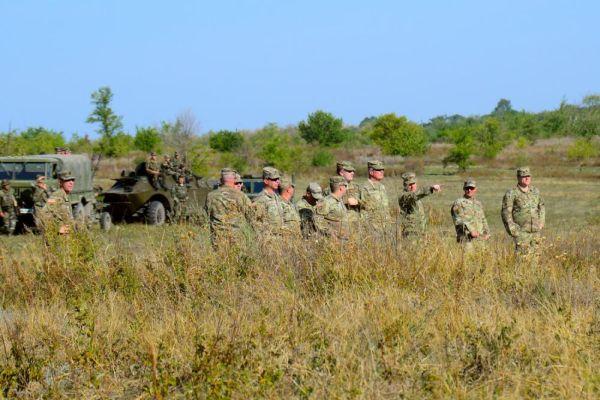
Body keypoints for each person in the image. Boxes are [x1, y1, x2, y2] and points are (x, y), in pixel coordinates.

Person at [501, 167, 545, 255]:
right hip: (521, 232)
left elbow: (541, 206)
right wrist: (513, 230)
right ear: (518, 178)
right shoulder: (511, 193)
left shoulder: (535, 191)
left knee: (535, 259)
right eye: (524, 176)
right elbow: (506, 213)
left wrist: (541, 222)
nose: (527, 178)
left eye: (528, 176)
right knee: (522, 260)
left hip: (536, 232)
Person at [205, 168, 254, 245]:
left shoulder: (211, 196)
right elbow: (251, 215)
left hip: (217, 238)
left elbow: (206, 214)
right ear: (234, 180)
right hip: (236, 239)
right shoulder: (241, 196)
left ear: (221, 180)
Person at [397, 172, 441, 238]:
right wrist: (430, 188)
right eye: (409, 185)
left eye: (413, 184)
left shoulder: (417, 198)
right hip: (410, 233)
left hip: (420, 232)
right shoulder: (404, 196)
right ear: (405, 185)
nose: (412, 186)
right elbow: (414, 195)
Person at [451, 178, 490, 251]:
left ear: (475, 189)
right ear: (464, 189)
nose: (469, 190)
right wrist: (471, 230)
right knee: (467, 261)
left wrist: (487, 232)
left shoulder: (478, 204)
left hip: (480, 240)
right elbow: (457, 220)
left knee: (482, 260)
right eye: (467, 188)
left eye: (471, 188)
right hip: (466, 241)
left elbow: (483, 219)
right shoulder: (459, 203)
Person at [359, 160, 390, 236]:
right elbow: (363, 208)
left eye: (382, 170)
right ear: (371, 172)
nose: (382, 171)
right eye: (379, 170)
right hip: (372, 228)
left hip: (385, 226)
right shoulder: (364, 187)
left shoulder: (382, 187)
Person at [252, 167, 284, 235]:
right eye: (274, 179)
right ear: (266, 181)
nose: (278, 181)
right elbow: (256, 223)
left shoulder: (277, 197)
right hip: (268, 239)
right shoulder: (260, 199)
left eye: (278, 179)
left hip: (280, 239)